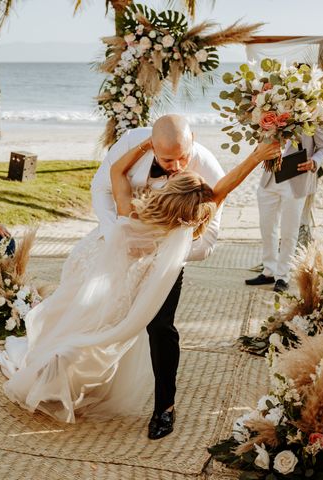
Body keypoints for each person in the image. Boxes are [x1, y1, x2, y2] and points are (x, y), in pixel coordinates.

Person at [0, 134, 279, 428]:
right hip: (120, 281)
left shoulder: (130, 212)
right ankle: (53, 376)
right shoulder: (182, 225)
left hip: (112, 278)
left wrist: (146, 144)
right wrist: (254, 158)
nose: (175, 167)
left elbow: (116, 171)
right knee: (96, 332)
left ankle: (163, 406)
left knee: (131, 329)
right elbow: (222, 190)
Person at [89, 114, 225, 439]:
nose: (177, 165)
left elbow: (207, 241)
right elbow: (102, 188)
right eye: (167, 159)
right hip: (120, 247)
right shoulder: (129, 145)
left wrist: (164, 251)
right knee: (98, 314)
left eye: (184, 157)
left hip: (169, 257)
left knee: (160, 326)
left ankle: (165, 406)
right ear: (151, 144)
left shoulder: (209, 168)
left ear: (194, 141)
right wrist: (119, 236)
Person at [246, 126, 323, 292]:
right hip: (269, 178)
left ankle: (282, 276)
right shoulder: (271, 107)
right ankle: (269, 271)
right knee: (266, 227)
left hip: (296, 179)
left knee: (288, 231)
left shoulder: (316, 114)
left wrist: (314, 162)